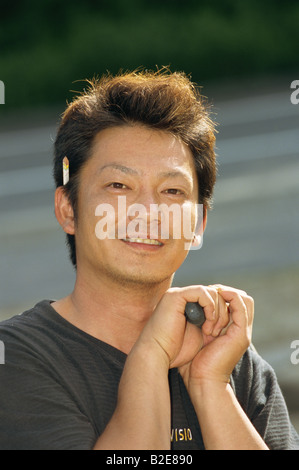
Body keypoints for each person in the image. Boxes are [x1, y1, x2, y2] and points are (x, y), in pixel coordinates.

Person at [0, 69, 298, 451]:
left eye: (172, 190)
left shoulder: (234, 362)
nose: (147, 211)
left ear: (199, 224)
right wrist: (151, 355)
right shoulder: (19, 359)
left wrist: (211, 385)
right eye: (119, 186)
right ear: (68, 209)